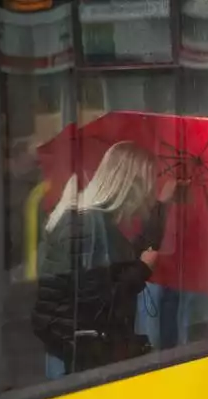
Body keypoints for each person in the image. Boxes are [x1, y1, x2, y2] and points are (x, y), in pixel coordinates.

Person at [33, 141, 171, 376]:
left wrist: (162, 207)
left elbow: (118, 265)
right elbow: (96, 303)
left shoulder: (98, 221)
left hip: (80, 350)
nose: (149, 195)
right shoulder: (86, 224)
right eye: (148, 187)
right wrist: (141, 270)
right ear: (131, 186)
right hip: (76, 357)